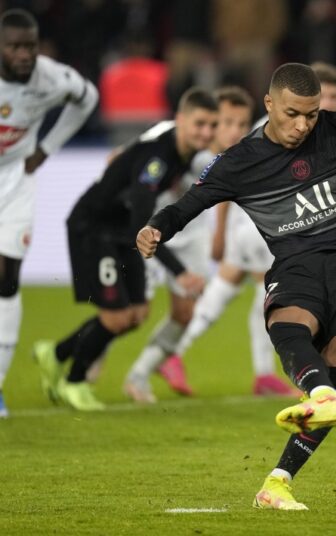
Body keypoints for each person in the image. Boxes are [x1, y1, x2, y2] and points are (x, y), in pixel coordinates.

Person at [136, 63, 336, 510]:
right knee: (289, 323)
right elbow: (186, 206)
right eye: (292, 114)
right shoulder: (239, 161)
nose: (303, 125)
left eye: (311, 114)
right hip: (296, 262)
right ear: (268, 105)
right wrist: (155, 229)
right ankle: (320, 394)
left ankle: (277, 482)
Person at [156, 62, 336, 399]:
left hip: (251, 227)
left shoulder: (308, 127)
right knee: (272, 297)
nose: (330, 103)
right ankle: (263, 375)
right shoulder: (286, 128)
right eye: (325, 96)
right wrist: (221, 230)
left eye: (334, 97)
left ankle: (173, 354)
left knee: (223, 289)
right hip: (263, 228)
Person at [31, 88, 217, 411]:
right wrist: (181, 272)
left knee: (137, 315)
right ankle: (74, 382)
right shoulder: (159, 158)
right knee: (117, 317)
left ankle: (56, 353)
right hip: (94, 227)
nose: (206, 132)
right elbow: (143, 226)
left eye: (211, 126)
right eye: (199, 124)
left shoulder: (180, 152)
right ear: (181, 120)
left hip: (121, 231)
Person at [123, 86, 257, 403]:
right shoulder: (180, 142)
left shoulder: (227, 158)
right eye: (226, 122)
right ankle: (91, 360)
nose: (233, 131)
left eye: (241, 124)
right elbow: (138, 152)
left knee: (185, 313)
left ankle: (140, 374)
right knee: (130, 313)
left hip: (193, 234)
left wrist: (219, 234)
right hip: (154, 229)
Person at [0, 9, 98, 418]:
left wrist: (47, 148)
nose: (24, 54)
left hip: (17, 181)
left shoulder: (54, 77)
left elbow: (88, 98)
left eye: (30, 46)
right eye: (15, 46)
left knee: (6, 278)